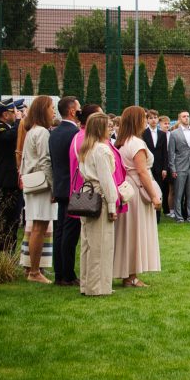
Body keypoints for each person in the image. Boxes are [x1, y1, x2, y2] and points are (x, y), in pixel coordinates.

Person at [114, 106, 162, 288]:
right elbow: (142, 172)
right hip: (136, 188)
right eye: (143, 118)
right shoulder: (136, 143)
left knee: (128, 231)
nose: (146, 120)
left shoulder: (123, 141)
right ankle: (131, 275)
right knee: (135, 231)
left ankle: (128, 274)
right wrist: (154, 196)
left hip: (128, 187)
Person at [77, 112, 120, 296]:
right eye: (108, 126)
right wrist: (112, 205)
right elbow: (106, 180)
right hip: (99, 198)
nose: (110, 129)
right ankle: (98, 287)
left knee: (88, 244)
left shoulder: (86, 148)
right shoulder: (101, 150)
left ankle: (87, 284)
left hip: (87, 196)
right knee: (102, 244)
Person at [18, 96, 56, 283]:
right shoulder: (41, 132)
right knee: (39, 228)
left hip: (33, 183)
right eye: (51, 108)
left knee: (37, 227)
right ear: (43, 110)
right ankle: (34, 271)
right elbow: (44, 160)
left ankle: (32, 269)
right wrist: (53, 185)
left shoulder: (33, 130)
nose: (54, 111)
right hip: (42, 185)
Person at [49, 96, 82, 286]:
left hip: (61, 187)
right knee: (70, 233)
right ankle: (67, 274)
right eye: (78, 108)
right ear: (71, 111)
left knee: (60, 231)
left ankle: (59, 272)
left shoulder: (54, 132)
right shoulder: (75, 134)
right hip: (73, 188)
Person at [0, 99, 22, 254]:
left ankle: (4, 250)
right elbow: (10, 137)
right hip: (4, 183)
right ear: (5, 114)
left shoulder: (5, 127)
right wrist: (20, 121)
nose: (16, 114)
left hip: (9, 182)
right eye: (14, 112)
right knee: (5, 219)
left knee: (11, 220)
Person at [167, 111, 190, 223]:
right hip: (180, 166)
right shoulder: (174, 133)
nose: (186, 118)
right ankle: (179, 217)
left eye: (188, 116)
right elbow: (171, 153)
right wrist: (172, 168)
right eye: (184, 116)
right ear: (179, 119)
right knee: (179, 193)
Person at [143, 110, 169, 222]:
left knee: (159, 190)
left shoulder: (162, 134)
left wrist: (164, 168)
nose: (154, 120)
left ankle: (157, 217)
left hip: (159, 167)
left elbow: (164, 152)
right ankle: (147, 216)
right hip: (147, 166)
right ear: (147, 120)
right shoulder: (143, 133)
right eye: (151, 118)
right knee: (147, 189)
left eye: (155, 117)